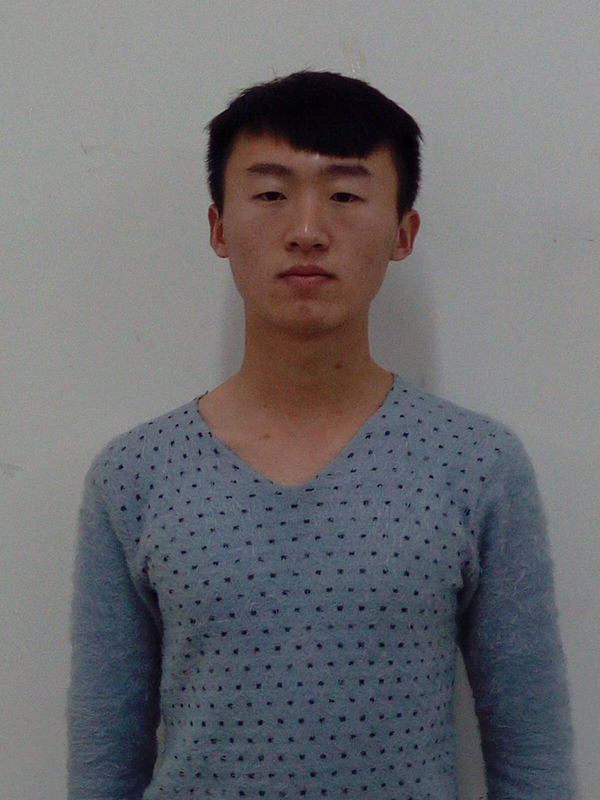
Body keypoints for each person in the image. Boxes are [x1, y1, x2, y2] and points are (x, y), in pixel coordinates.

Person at [66, 70, 576, 799]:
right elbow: (103, 767)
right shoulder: (135, 475)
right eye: (271, 194)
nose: (306, 230)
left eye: (345, 195)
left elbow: (533, 758)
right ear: (218, 227)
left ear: (402, 232)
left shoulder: (476, 465)